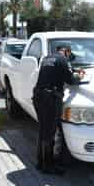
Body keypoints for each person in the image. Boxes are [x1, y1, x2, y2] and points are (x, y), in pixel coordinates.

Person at [32, 45, 83, 174]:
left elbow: (56, 72)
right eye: (69, 56)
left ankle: (40, 163)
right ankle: (48, 166)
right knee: (50, 132)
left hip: (39, 97)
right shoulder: (62, 59)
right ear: (66, 51)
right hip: (50, 99)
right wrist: (80, 75)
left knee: (43, 130)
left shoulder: (47, 58)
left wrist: (71, 69)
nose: (68, 59)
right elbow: (71, 80)